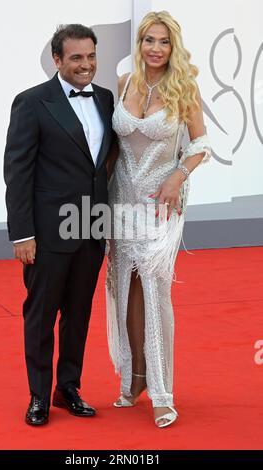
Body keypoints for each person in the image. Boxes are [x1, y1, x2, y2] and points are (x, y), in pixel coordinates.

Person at [4, 24, 115, 425]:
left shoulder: (105, 99)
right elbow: (17, 172)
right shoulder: (32, 102)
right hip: (47, 232)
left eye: (90, 56)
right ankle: (37, 394)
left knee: (78, 313)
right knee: (41, 314)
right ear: (57, 60)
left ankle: (68, 388)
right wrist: (22, 233)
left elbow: (102, 165)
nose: (86, 65)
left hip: (91, 227)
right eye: (76, 58)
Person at [106, 11, 211, 428]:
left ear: (174, 47)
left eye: (163, 42)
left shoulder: (185, 88)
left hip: (160, 204)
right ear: (140, 43)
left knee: (156, 293)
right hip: (120, 204)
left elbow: (200, 143)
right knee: (126, 290)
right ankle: (134, 381)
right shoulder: (124, 84)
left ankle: (163, 394)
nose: (155, 48)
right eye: (149, 40)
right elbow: (114, 145)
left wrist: (178, 176)